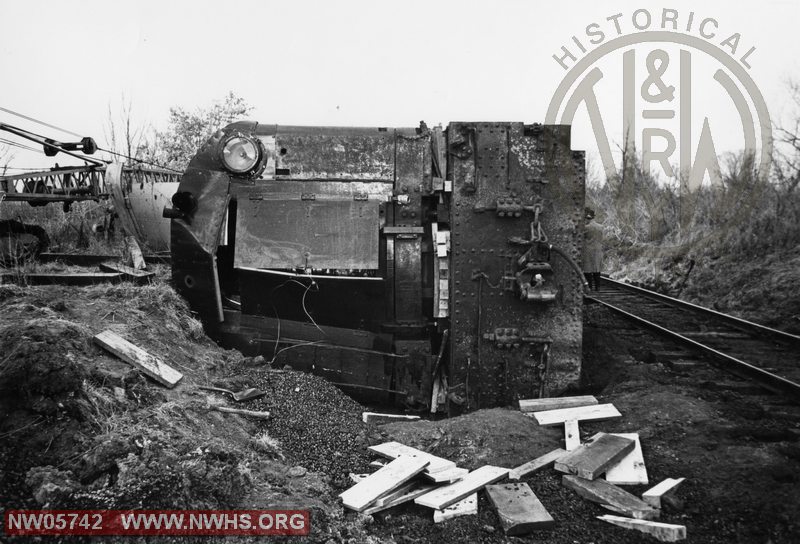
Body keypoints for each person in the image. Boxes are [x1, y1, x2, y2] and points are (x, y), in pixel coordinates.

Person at [582, 207, 603, 291]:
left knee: (588, 270)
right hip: (598, 250)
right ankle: (597, 287)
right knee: (597, 269)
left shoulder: (586, 227)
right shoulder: (601, 227)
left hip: (588, 250)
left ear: (586, 217)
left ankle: (589, 287)